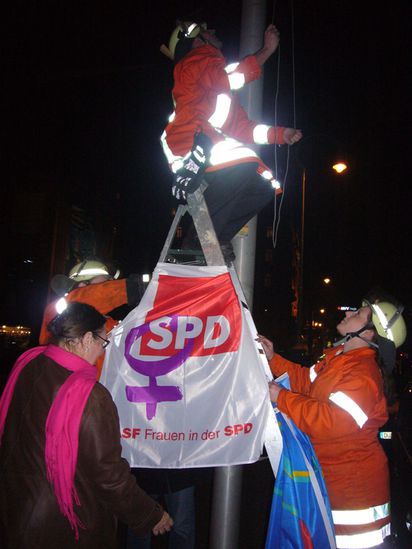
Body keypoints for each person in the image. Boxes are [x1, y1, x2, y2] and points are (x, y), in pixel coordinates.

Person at [0, 302, 173, 548]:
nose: (103, 352)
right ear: (85, 338)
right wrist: (150, 514)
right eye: (103, 342)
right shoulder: (91, 397)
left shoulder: (29, 363)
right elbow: (109, 476)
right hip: (61, 525)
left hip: (15, 506)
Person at [257, 298, 407, 548]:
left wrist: (281, 397)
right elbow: (306, 382)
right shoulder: (340, 358)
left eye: (358, 313)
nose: (350, 314)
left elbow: (332, 422)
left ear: (369, 332)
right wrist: (274, 359)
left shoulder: (363, 373)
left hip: (353, 502)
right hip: (332, 485)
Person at [160, 21, 302, 261]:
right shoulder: (198, 59)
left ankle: (216, 238)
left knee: (263, 184)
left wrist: (281, 134)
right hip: (190, 141)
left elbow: (243, 129)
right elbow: (231, 77)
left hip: (205, 141)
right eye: (207, 31)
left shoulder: (216, 90)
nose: (213, 31)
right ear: (196, 41)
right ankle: (198, 241)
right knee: (244, 163)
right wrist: (266, 50)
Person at [40, 259, 144, 377]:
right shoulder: (58, 311)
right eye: (105, 285)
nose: (111, 286)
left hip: (97, 390)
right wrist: (134, 287)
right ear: (83, 285)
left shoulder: (105, 324)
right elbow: (84, 300)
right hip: (67, 390)